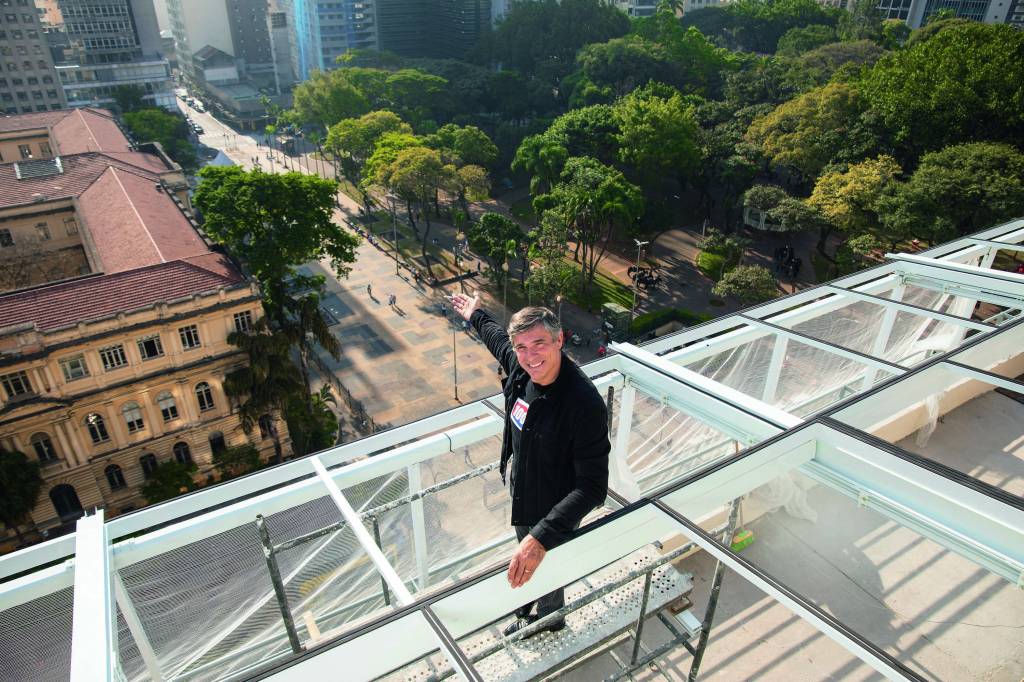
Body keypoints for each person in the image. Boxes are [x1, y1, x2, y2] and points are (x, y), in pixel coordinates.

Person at [451, 293, 610, 638]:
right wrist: (475, 314)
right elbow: (497, 340)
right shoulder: (522, 372)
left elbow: (594, 487)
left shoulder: (583, 404)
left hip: (555, 500)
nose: (529, 355)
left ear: (559, 340)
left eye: (539, 344)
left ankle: (549, 620)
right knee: (525, 546)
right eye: (521, 347)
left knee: (544, 559)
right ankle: (528, 603)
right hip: (524, 484)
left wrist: (540, 538)